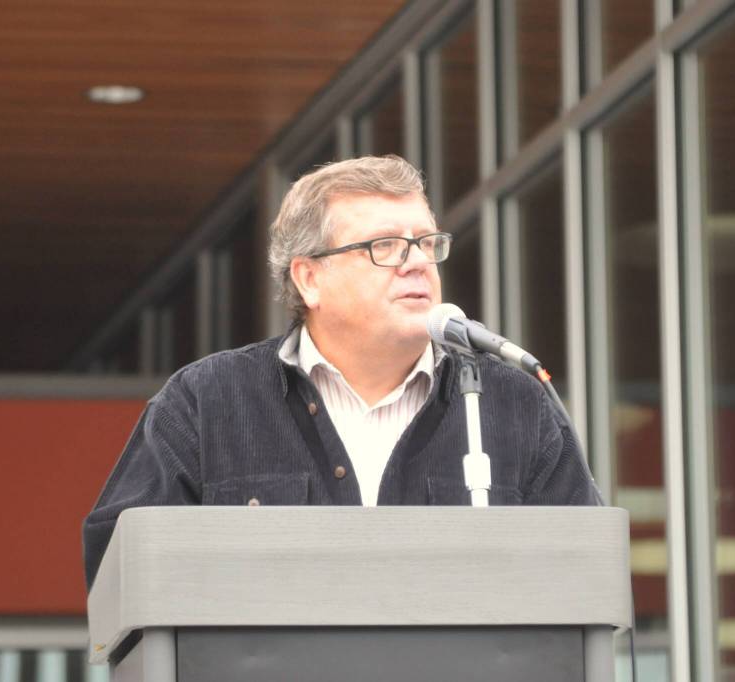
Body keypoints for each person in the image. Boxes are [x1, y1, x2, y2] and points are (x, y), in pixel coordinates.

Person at [82, 155, 600, 588]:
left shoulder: (511, 404)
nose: (417, 262)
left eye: (426, 242)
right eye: (385, 247)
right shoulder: (207, 402)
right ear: (309, 278)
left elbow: (586, 578)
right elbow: (119, 572)